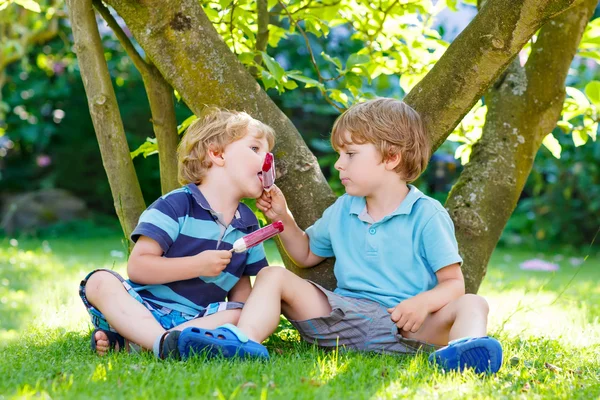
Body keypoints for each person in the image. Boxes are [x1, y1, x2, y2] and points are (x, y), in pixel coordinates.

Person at [185, 98, 503, 373]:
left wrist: (422, 303)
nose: (338, 164)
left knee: (473, 303)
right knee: (272, 276)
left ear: (391, 158)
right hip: (344, 319)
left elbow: (453, 284)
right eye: (340, 154)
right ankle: (244, 341)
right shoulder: (344, 209)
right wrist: (283, 218)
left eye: (350, 154)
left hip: (410, 328)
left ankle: (465, 351)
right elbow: (306, 254)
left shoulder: (427, 215)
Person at [79, 108, 275, 359]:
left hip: (198, 320)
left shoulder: (248, 224)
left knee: (242, 313)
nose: (267, 159)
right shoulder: (177, 205)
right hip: (145, 308)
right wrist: (197, 265)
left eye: (268, 152)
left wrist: (246, 326)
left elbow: (240, 291)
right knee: (100, 281)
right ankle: (158, 341)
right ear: (216, 154)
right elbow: (138, 267)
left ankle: (143, 341)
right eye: (255, 149)